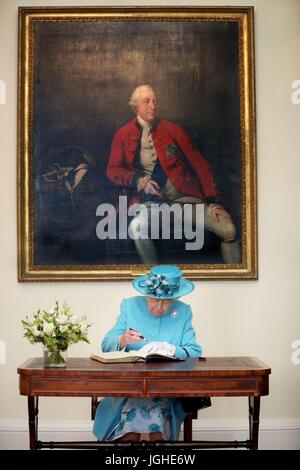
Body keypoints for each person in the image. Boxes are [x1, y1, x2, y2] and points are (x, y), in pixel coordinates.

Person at [106, 84, 241, 264]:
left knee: (229, 230)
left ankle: (233, 280)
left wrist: (213, 199)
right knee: (137, 228)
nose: (153, 106)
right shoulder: (122, 134)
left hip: (185, 200)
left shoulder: (173, 129)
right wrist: (139, 181)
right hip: (152, 205)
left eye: (155, 101)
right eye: (147, 102)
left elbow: (200, 164)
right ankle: (154, 281)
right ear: (135, 106)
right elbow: (112, 170)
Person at [92, 265, 202, 442]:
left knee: (158, 408)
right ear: (146, 295)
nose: (160, 306)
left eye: (167, 301)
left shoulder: (183, 311)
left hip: (167, 389)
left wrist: (172, 349)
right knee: (132, 407)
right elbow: (106, 345)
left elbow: (195, 351)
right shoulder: (130, 305)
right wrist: (122, 340)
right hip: (128, 387)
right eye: (155, 300)